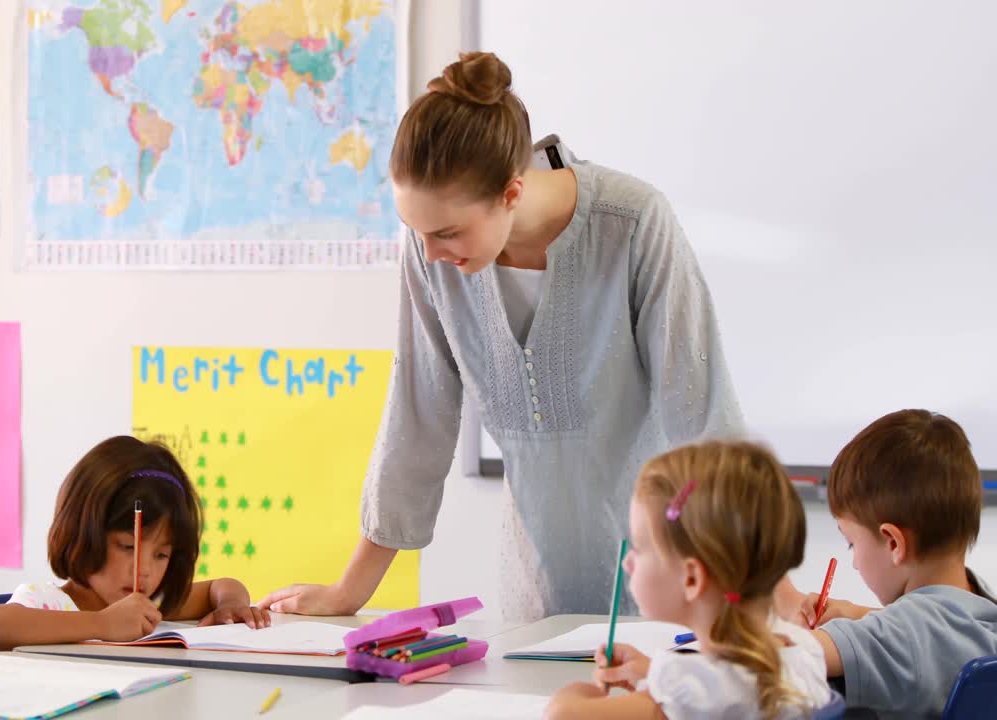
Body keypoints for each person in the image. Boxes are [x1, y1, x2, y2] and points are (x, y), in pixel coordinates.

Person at [262, 51, 742, 619]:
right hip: (530, 596)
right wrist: (350, 592)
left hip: (664, 588)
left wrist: (755, 594)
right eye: (417, 232)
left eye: (447, 232)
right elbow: (417, 415)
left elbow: (706, 420)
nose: (432, 253)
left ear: (511, 193)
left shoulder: (633, 223)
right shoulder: (429, 249)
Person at [544, 440, 834, 719]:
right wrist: (653, 676)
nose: (627, 561)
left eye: (641, 548)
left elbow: (564, 716)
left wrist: (575, 694)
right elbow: (724, 690)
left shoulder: (687, 686)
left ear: (692, 578)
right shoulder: (803, 652)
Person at [775, 410, 997, 718]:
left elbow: (786, 655)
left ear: (894, 543)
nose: (853, 562)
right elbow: (936, 629)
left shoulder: (893, 639)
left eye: (852, 543)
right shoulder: (983, 612)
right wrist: (856, 612)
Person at [0, 435, 268, 652]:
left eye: (161, 554)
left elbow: (223, 585)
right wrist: (101, 624)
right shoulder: (49, 603)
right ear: (82, 532)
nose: (145, 570)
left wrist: (232, 606)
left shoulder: (151, 605)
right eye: (128, 547)